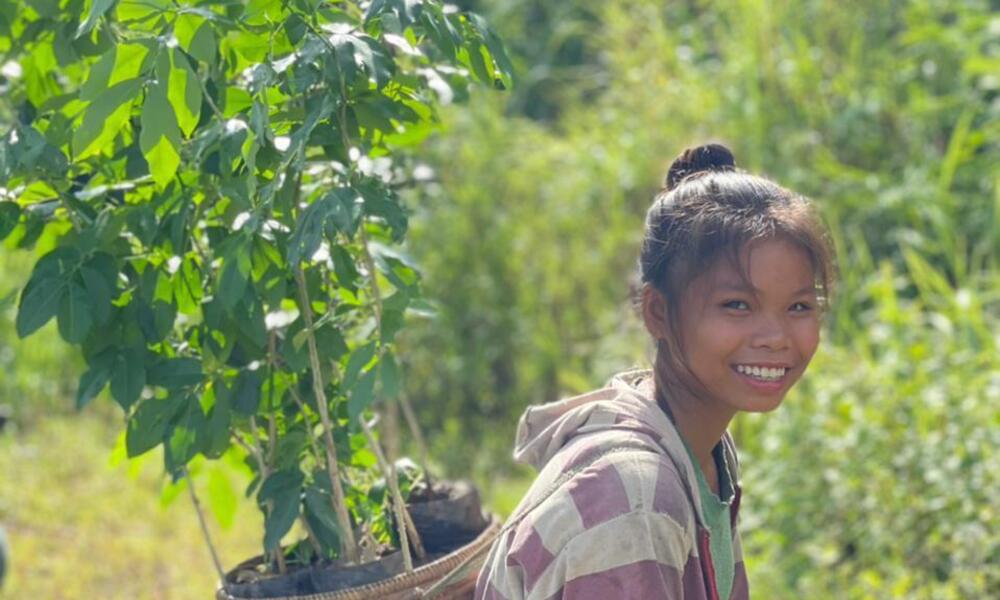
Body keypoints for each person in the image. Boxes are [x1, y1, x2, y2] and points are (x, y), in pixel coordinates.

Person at [473, 143, 835, 599]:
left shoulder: (699, 451)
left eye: (799, 306)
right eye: (737, 305)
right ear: (658, 312)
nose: (776, 336)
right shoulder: (633, 498)